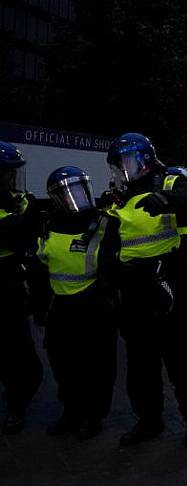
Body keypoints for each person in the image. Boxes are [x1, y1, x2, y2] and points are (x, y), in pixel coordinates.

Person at [105, 133, 187, 448]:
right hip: (134, 291)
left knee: (181, 359)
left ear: (144, 160)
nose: (121, 171)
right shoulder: (120, 199)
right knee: (140, 364)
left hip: (170, 285)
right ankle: (149, 421)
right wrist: (109, 285)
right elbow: (111, 245)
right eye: (116, 166)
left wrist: (167, 200)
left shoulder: (170, 182)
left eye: (125, 163)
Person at [30, 167, 120, 440]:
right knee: (63, 364)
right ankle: (71, 412)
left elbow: (115, 265)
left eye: (80, 191)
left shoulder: (104, 224)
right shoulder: (47, 228)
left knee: (97, 366)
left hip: (94, 305)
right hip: (62, 307)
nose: (75, 199)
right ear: (55, 199)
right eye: (67, 194)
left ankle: (93, 417)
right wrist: (39, 307)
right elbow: (39, 269)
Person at [0, 140, 43, 434]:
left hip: (11, 285)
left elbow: (27, 233)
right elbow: (14, 232)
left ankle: (17, 405)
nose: (12, 180)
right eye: (7, 174)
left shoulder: (22, 202)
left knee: (19, 351)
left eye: (14, 174)